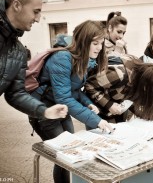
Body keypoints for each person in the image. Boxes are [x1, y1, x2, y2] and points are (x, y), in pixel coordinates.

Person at [29, 20, 114, 183]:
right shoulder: (62, 58)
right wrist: (96, 120)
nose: (99, 47)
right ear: (83, 40)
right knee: (64, 156)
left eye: (101, 43)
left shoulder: (83, 59)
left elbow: (73, 91)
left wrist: (87, 103)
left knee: (68, 155)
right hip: (44, 112)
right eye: (95, 43)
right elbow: (64, 97)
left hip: (61, 110)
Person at [0, 0, 67, 121]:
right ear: (17, 6)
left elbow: (16, 93)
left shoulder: (19, 51)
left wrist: (44, 111)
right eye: (35, 11)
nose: (38, 19)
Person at [85, 54, 153, 122]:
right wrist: (109, 105)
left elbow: (131, 99)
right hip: (96, 108)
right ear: (146, 87)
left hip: (115, 110)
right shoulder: (119, 74)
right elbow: (89, 85)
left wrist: (150, 115)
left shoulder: (140, 77)